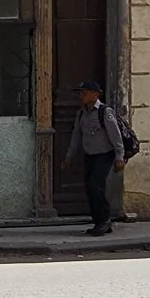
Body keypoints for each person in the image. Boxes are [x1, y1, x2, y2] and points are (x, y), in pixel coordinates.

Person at [62, 80, 126, 236]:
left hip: (104, 155)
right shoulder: (81, 113)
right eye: (80, 93)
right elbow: (76, 137)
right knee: (91, 189)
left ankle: (103, 220)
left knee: (96, 187)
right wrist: (69, 157)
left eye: (84, 93)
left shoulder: (105, 112)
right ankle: (100, 221)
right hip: (90, 155)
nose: (81, 96)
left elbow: (116, 137)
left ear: (95, 94)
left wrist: (119, 157)